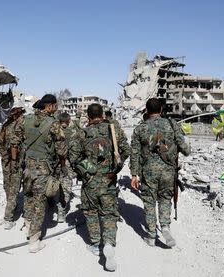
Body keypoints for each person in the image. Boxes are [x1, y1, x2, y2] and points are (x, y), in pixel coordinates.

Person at [69, 103, 130, 272]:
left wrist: (87, 170)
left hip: (90, 182)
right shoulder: (113, 129)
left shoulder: (82, 133)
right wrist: (115, 169)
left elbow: (73, 157)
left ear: (88, 117)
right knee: (109, 213)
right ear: (102, 114)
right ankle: (109, 242)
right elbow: (125, 150)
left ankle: (96, 244)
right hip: (108, 180)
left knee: (90, 212)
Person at [130, 98, 191, 247]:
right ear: (161, 110)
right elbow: (185, 150)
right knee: (165, 199)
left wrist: (134, 175)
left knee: (149, 202)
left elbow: (135, 153)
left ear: (146, 110)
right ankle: (165, 227)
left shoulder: (140, 128)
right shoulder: (171, 124)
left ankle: (151, 236)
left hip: (148, 172)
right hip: (168, 171)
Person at [21, 94, 67, 253]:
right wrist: (62, 165)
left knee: (28, 195)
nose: (55, 108)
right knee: (40, 202)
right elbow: (61, 150)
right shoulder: (53, 124)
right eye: (54, 106)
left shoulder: (25, 120)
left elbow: (19, 142)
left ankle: (27, 224)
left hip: (28, 165)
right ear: (49, 106)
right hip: (43, 167)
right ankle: (34, 240)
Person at [0, 106, 26, 230]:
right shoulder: (17, 127)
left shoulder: (5, 126)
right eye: (21, 114)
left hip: (6, 161)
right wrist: (13, 159)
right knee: (14, 187)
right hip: (16, 161)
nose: (23, 117)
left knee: (8, 185)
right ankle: (8, 217)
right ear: (17, 115)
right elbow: (14, 145)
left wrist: (4, 155)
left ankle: (11, 206)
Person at [54, 112, 79, 222]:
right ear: (69, 121)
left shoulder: (52, 130)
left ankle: (51, 204)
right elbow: (75, 151)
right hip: (66, 164)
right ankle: (61, 213)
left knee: (52, 185)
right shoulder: (73, 132)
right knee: (66, 189)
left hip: (52, 164)